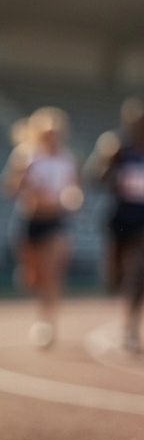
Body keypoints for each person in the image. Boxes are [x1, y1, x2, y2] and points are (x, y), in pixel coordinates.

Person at [86, 97, 144, 353]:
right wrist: (106, 161)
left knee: (141, 275)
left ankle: (133, 327)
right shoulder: (117, 147)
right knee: (116, 278)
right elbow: (95, 178)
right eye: (134, 122)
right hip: (118, 221)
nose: (140, 126)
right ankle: (114, 280)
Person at [3, 107, 83, 348]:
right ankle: (36, 292)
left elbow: (73, 189)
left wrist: (72, 198)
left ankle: (47, 323)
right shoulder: (26, 156)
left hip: (55, 222)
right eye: (48, 133)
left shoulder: (67, 159)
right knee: (32, 279)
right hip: (30, 222)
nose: (53, 137)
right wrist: (22, 179)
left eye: (57, 133)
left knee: (51, 274)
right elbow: (10, 189)